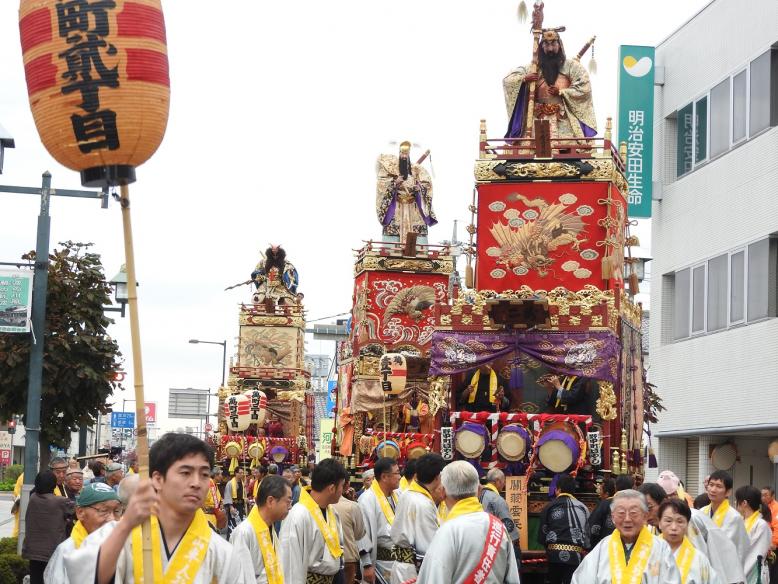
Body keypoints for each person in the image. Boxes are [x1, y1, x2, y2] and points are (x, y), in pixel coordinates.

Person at [63, 432, 251, 584]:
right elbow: (84, 575)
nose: (197, 483)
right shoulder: (118, 535)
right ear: (158, 479)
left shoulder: (221, 552)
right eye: (185, 472)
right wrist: (127, 524)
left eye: (204, 474)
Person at [416, 461, 520, 583]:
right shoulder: (498, 527)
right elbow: (512, 578)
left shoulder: (447, 531)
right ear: (479, 489)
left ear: (443, 491)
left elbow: (434, 579)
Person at [503, 27, 597, 140]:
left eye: (553, 44)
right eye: (546, 45)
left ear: (560, 45)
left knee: (568, 145)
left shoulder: (572, 66)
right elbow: (508, 80)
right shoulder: (533, 67)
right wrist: (524, 79)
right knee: (534, 145)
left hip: (563, 119)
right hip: (537, 117)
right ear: (541, 47)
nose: (550, 49)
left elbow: (584, 87)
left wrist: (561, 92)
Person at [571, 489, 680, 583]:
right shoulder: (602, 547)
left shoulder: (661, 548)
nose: (627, 519)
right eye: (621, 513)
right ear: (613, 517)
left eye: (634, 512)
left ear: (645, 516)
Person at [280, 457, 348, 583]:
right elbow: (290, 563)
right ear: (332, 488)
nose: (342, 491)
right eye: (342, 486)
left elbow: (339, 552)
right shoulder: (298, 515)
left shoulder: (332, 512)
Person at [44, 482, 122, 584]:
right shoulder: (67, 551)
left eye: (116, 511)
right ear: (80, 512)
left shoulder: (126, 547)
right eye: (104, 510)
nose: (112, 519)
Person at [390, 453, 445, 584]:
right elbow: (427, 548)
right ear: (438, 477)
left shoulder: (406, 494)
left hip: (400, 566)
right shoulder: (423, 503)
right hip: (413, 572)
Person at [231, 475, 291, 584]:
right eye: (287, 501)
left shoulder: (270, 527)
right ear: (270, 501)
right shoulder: (244, 532)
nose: (290, 506)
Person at [375, 141, 437, 244]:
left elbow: (427, 186)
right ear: (399, 153)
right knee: (392, 234)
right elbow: (382, 186)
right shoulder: (391, 170)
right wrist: (394, 184)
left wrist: (419, 188)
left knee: (418, 234)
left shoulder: (417, 170)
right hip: (397, 207)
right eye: (402, 153)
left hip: (414, 208)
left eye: (406, 154)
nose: (404, 156)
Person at [22, 470, 71, 584]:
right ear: (54, 485)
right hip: (52, 551)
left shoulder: (33, 497)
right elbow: (76, 512)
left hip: (33, 550)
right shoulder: (61, 501)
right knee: (51, 579)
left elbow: (35, 489)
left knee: (36, 579)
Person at [539, 474, 589, 584]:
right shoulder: (583, 508)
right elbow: (587, 539)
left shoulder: (549, 507)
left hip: (554, 556)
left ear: (558, 490)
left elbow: (542, 535)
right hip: (576, 556)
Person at [657, 499, 721, 584]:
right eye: (668, 521)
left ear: (687, 524)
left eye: (680, 521)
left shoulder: (699, 559)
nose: (674, 527)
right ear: (659, 523)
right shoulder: (647, 552)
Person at [358, 457, 401, 583]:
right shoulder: (367, 499)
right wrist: (367, 565)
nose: (399, 477)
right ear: (384, 477)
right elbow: (362, 535)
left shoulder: (398, 494)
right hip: (379, 561)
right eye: (397, 473)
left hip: (399, 562)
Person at [702, 470, 749, 566]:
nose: (713, 489)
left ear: (728, 492)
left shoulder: (734, 517)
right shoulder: (701, 512)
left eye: (718, 486)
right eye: (711, 485)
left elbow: (741, 550)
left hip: (726, 569)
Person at [480, 468, 521, 560]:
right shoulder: (497, 500)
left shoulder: (478, 496)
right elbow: (508, 528)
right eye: (503, 481)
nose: (504, 484)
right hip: (494, 548)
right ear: (498, 481)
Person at [735, 486, 771, 584]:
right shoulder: (741, 521)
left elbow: (755, 554)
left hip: (753, 574)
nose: (735, 503)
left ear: (744, 503)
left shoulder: (761, 525)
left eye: (737, 500)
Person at [333, 481, 367, 584]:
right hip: (348, 557)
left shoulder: (320, 505)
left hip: (329, 559)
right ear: (347, 485)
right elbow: (359, 534)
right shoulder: (352, 506)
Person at [585, 475, 630, 550]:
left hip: (607, 548)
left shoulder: (605, 504)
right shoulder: (636, 504)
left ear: (616, 487)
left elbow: (593, 527)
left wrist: (593, 547)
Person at [761, 486, 778, 582]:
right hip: (766, 544)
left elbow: (777, 527)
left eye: (766, 495)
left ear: (772, 496)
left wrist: (774, 543)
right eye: (762, 495)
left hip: (773, 546)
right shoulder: (764, 506)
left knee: (773, 571)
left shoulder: (775, 507)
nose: (763, 497)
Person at [224, 467, 248, 535]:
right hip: (234, 507)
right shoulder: (230, 483)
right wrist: (231, 507)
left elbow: (244, 494)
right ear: (235, 473)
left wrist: (245, 499)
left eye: (242, 473)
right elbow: (228, 495)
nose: (242, 474)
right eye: (240, 473)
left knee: (241, 526)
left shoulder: (243, 483)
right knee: (233, 525)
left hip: (241, 507)